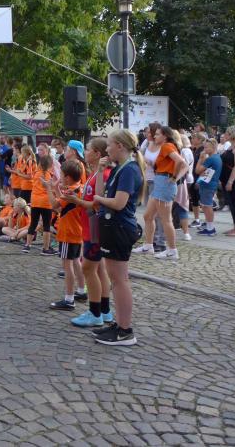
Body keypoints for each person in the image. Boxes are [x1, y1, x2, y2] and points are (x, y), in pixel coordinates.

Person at [92, 129, 145, 346]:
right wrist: (99, 171)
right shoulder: (119, 168)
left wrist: (98, 199)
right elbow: (101, 193)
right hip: (112, 226)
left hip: (119, 227)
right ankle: (120, 324)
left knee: (120, 280)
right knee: (116, 279)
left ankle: (125, 331)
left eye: (109, 145)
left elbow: (119, 203)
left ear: (120, 146)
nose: (107, 149)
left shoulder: (129, 170)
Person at [62, 138, 114, 327]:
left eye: (88, 149)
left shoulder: (104, 174)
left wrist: (77, 201)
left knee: (88, 269)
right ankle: (105, 311)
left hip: (94, 230)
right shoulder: (94, 173)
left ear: (97, 154)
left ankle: (95, 312)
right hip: (90, 228)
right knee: (99, 269)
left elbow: (97, 204)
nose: (85, 152)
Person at [135, 125, 187, 259]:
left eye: (158, 134)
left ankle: (172, 250)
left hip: (164, 183)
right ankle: (148, 246)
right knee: (148, 216)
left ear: (165, 136)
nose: (155, 136)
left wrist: (174, 177)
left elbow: (181, 162)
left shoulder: (166, 146)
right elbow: (181, 164)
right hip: (160, 182)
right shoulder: (167, 146)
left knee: (166, 220)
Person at [45, 160, 85, 311]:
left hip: (68, 233)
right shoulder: (78, 188)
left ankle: (69, 299)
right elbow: (63, 205)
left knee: (67, 266)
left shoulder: (69, 193)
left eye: (61, 175)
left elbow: (55, 205)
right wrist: (56, 188)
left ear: (67, 178)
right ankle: (81, 291)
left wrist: (49, 188)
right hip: (77, 231)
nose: (59, 177)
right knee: (76, 262)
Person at [139, 123, 166, 251]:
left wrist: (151, 163)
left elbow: (165, 164)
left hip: (158, 181)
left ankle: (161, 241)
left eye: (150, 132)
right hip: (147, 179)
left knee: (159, 213)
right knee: (149, 214)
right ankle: (151, 240)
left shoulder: (163, 146)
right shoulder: (147, 144)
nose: (147, 134)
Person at [22, 154, 55, 255]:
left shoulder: (36, 174)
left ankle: (27, 245)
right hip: (45, 202)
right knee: (46, 225)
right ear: (50, 165)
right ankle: (45, 248)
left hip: (35, 201)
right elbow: (51, 188)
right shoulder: (49, 175)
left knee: (33, 223)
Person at [195, 138, 222, 236]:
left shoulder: (211, 158)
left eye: (206, 147)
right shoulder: (217, 157)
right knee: (205, 205)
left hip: (208, 185)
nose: (204, 149)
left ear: (213, 147)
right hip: (209, 184)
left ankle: (210, 228)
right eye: (204, 147)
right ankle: (209, 226)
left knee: (207, 206)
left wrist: (200, 159)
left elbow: (197, 170)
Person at [174, 134, 194, 240]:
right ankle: (184, 231)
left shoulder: (181, 151)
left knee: (181, 206)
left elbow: (184, 166)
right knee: (181, 206)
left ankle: (184, 231)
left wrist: (175, 178)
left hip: (179, 180)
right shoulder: (183, 150)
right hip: (182, 180)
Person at [188, 132, 207, 227]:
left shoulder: (203, 151)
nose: (192, 140)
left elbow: (204, 167)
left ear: (199, 140)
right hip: (193, 176)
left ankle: (207, 220)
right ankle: (197, 219)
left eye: (194, 138)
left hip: (198, 178)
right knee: (194, 199)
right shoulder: (195, 150)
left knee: (202, 200)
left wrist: (200, 180)